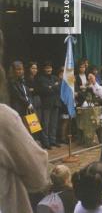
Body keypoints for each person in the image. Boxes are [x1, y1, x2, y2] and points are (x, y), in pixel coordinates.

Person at [0, 29, 49, 213]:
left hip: (29, 111)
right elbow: (38, 177)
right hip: (20, 112)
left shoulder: (25, 82)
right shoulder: (5, 116)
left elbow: (28, 93)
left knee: (34, 129)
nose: (20, 71)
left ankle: (36, 141)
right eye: (17, 69)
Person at [38, 61, 61, 148]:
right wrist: (52, 87)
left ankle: (53, 140)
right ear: (44, 69)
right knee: (46, 124)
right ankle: (46, 142)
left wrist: (51, 87)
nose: (49, 69)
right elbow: (45, 90)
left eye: (50, 68)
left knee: (54, 123)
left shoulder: (55, 77)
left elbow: (59, 88)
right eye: (47, 68)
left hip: (55, 103)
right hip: (46, 104)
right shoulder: (41, 79)